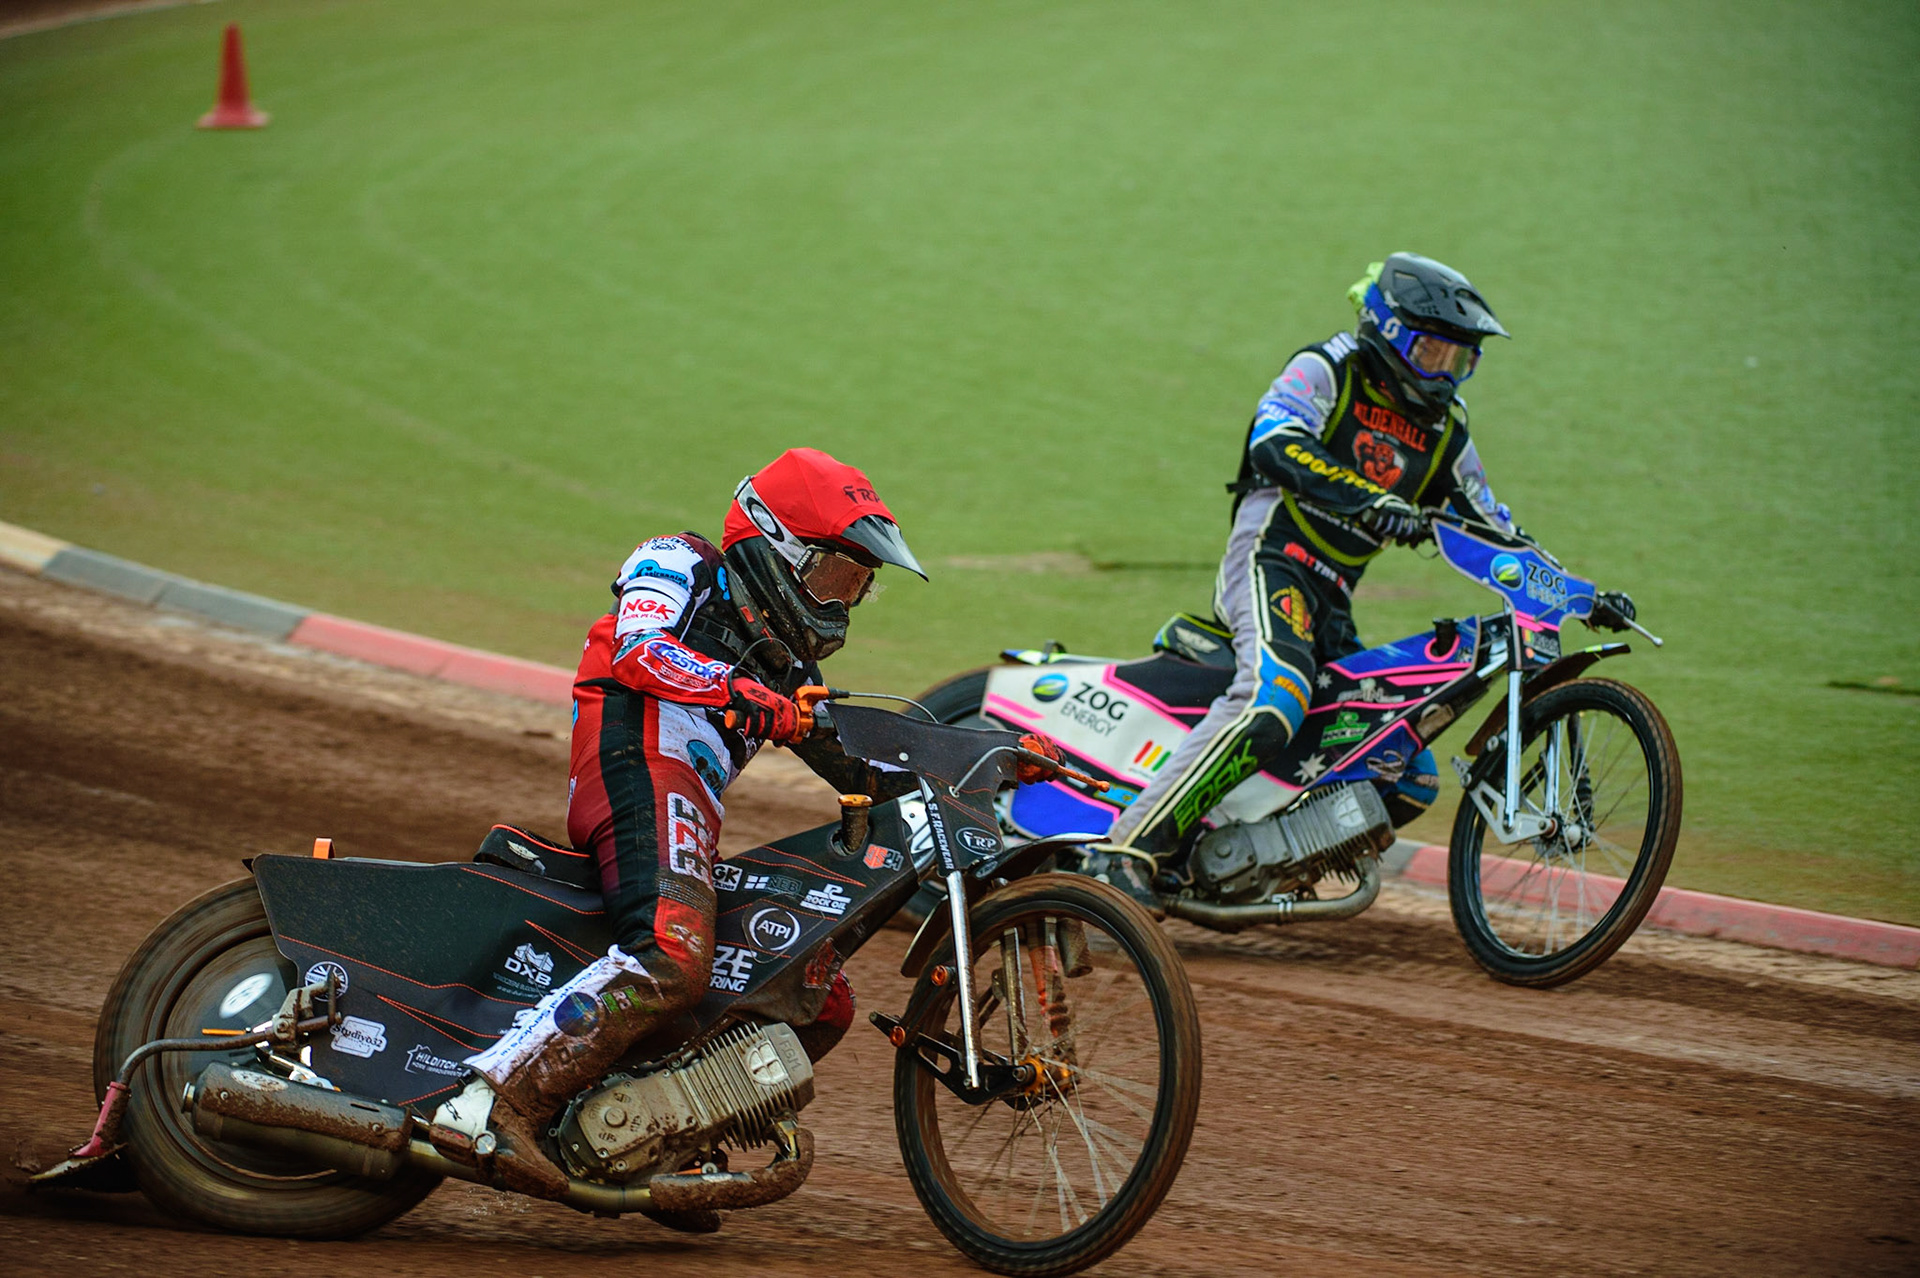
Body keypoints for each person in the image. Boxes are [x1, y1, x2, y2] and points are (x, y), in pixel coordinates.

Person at [440, 447, 929, 1203]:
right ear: (779, 546)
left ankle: (652, 1136)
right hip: (631, 763)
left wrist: (983, 770)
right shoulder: (678, 562)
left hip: (688, 801)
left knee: (811, 995)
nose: (845, 602)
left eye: (859, 587)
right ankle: (489, 1103)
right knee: (674, 955)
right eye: (837, 576)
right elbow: (640, 652)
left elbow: (862, 766)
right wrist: (732, 686)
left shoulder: (783, 665)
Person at [1088, 253, 1635, 902]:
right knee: (1275, 697)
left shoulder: (1446, 440)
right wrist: (1370, 501)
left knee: (1404, 774)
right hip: (1270, 562)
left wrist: (1578, 593)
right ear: (1390, 330)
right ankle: (1127, 849)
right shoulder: (1326, 369)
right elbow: (1275, 442)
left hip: (1332, 600)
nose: (1446, 375)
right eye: (1435, 353)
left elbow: (1496, 530)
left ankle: (1245, 863)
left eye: (1461, 361)